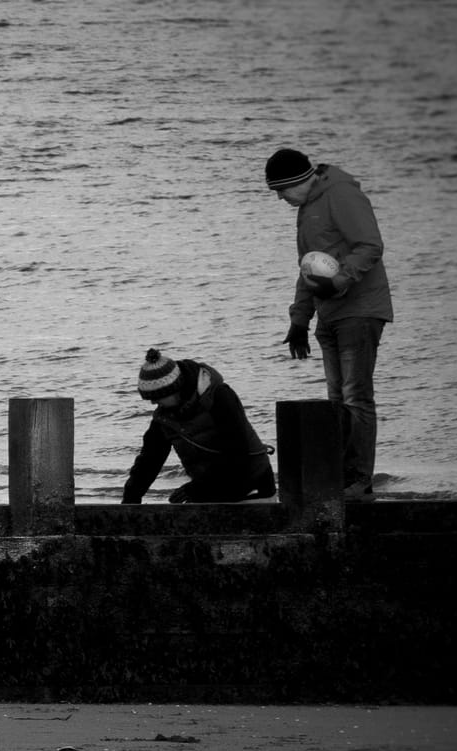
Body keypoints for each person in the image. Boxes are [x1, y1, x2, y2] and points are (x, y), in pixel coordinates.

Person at [265, 147, 392, 499]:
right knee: (336, 400)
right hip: (329, 314)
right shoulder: (307, 209)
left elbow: (370, 245)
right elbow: (308, 268)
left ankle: (359, 479)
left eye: (281, 189)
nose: (279, 197)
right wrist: (299, 320)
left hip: (361, 309)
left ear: (299, 181)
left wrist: (341, 280)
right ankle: (340, 475)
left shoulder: (341, 193)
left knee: (356, 397)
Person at [122, 348, 275, 505]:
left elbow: (236, 453)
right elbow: (150, 460)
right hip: (208, 491)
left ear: (175, 388)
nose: (154, 403)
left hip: (252, 486)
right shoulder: (164, 416)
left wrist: (195, 489)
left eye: (158, 397)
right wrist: (130, 499)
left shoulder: (220, 396)